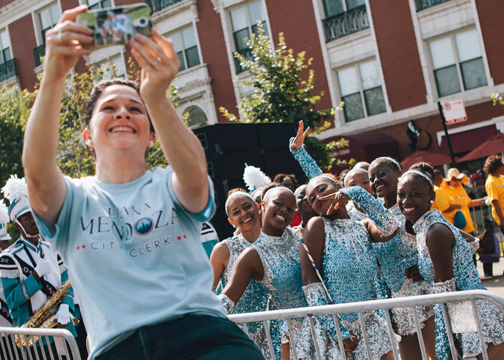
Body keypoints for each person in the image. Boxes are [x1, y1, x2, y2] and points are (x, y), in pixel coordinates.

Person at [21, 5, 264, 360]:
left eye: (135, 109)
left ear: (152, 135)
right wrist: (54, 76)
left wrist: (156, 97)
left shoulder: (169, 184)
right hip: (118, 348)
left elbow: (196, 179)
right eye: (109, 108)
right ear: (87, 136)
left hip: (205, 338)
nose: (122, 112)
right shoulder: (72, 198)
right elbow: (38, 173)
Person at [397, 163, 504, 360]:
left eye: (415, 193)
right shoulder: (428, 225)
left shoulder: (434, 230)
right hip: (465, 310)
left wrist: (449, 338)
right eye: (401, 194)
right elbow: (469, 244)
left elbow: (447, 292)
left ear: (431, 197)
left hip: (469, 312)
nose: (406, 200)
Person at [219, 185, 328, 359]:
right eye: (278, 203)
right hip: (300, 342)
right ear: (261, 205)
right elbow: (226, 299)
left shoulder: (302, 236)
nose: (284, 210)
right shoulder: (252, 255)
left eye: (290, 209)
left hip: (331, 329)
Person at [302, 174, 401, 360]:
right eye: (312, 198)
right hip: (335, 330)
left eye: (322, 189)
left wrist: (354, 192)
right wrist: (337, 330)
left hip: (370, 324)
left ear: (338, 186)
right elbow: (310, 283)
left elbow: (391, 227)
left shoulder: (363, 226)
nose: (318, 198)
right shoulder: (317, 225)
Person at [0, 175, 76, 356]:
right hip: (35, 337)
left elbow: (67, 283)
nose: (33, 221)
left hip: (63, 326)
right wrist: (35, 276)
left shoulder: (52, 246)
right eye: (26, 218)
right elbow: (12, 301)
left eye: (34, 215)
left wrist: (66, 306)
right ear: (17, 224)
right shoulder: (9, 258)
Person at [368, 157, 436, 359]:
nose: (376, 180)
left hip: (424, 296)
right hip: (397, 304)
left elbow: (453, 238)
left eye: (382, 174)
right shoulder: (374, 216)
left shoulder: (412, 208)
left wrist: (428, 267)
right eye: (372, 178)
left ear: (399, 174)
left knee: (440, 355)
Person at [209, 189, 273, 358]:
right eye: (236, 212)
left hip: (279, 330)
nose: (244, 214)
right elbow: (207, 292)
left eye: (247, 207)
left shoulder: (277, 241)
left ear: (258, 207)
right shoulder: (223, 249)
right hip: (241, 334)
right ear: (231, 221)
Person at [442, 168, 484, 233]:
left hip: (467, 225)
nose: (457, 182)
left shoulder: (461, 188)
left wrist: (483, 200)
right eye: (454, 179)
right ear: (448, 180)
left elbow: (468, 203)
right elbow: (443, 208)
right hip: (454, 228)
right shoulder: (442, 191)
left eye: (459, 179)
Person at [483, 155, 504, 277]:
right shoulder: (491, 182)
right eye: (502, 165)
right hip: (502, 216)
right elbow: (495, 201)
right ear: (497, 167)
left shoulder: (501, 178)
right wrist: (501, 219)